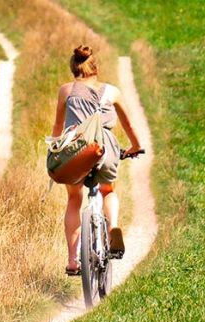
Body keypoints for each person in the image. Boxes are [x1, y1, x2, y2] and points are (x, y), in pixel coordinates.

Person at [52, 45, 142, 275]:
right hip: (105, 149)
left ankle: (73, 260)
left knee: (74, 198)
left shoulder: (66, 90)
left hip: (76, 149)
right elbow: (128, 124)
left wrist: (55, 150)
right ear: (95, 68)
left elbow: (57, 127)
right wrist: (135, 146)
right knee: (107, 191)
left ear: (74, 68)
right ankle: (112, 228)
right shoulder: (111, 92)